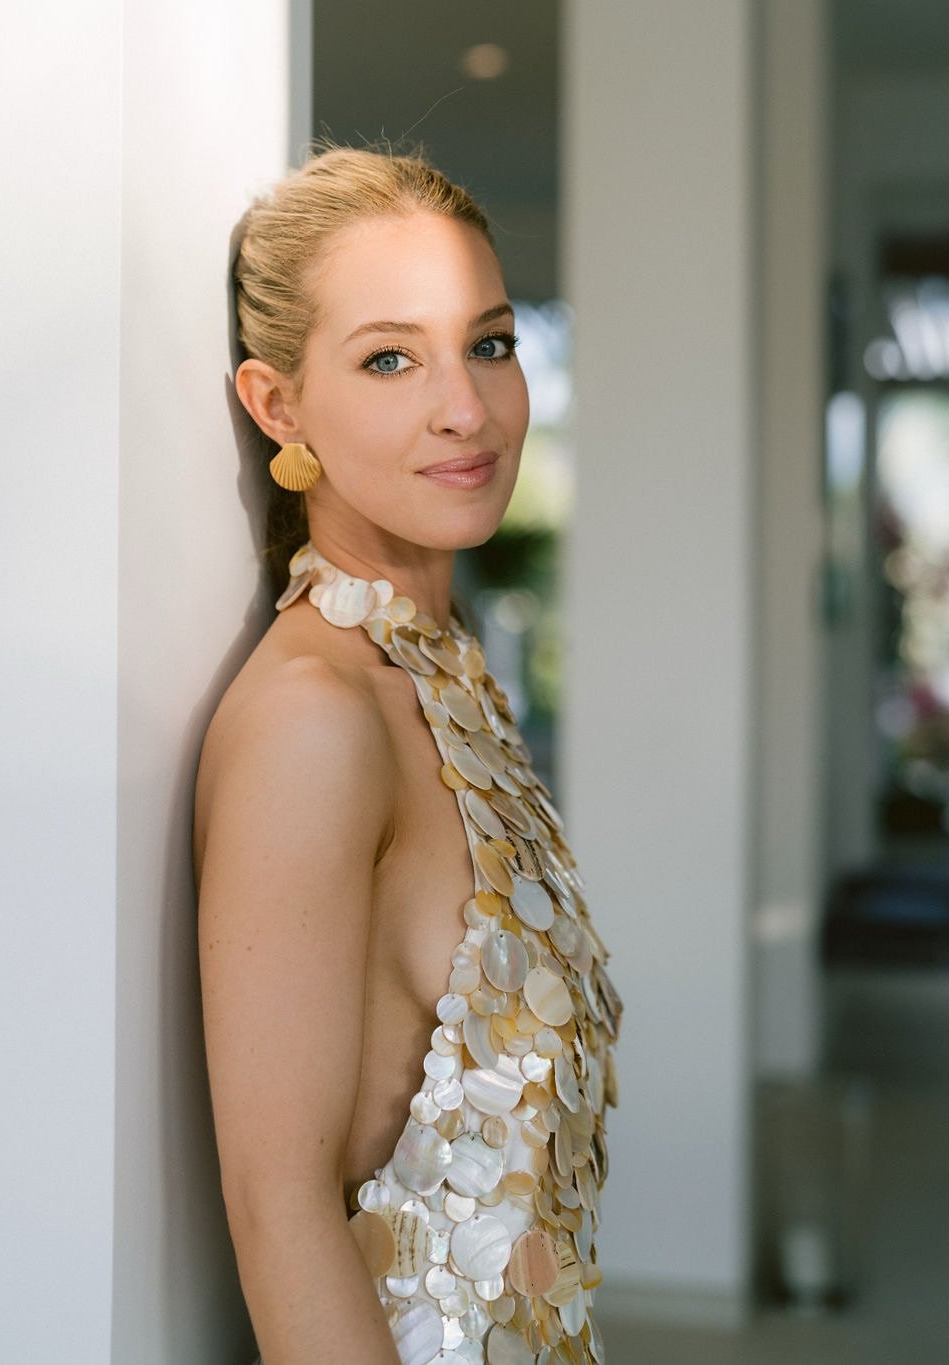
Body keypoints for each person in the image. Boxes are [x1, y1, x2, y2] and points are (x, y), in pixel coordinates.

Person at [194, 146, 622, 1365]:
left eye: (489, 343)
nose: (466, 409)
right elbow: (278, 1216)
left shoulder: (444, 676)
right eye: (390, 358)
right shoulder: (312, 720)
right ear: (277, 407)